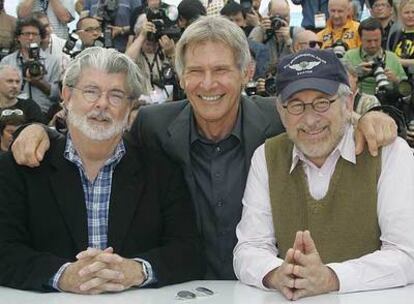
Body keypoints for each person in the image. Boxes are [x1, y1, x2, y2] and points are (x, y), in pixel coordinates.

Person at [11, 16, 399, 281]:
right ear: (180, 77)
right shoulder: (153, 124)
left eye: (221, 70)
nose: (207, 84)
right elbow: (97, 139)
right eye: (195, 71)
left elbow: (322, 115)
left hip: (265, 288)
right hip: (187, 288)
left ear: (246, 74)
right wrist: (40, 130)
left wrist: (370, 117)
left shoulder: (278, 121)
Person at [0, 47, 203, 293]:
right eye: (91, 91)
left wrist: (138, 270)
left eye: (116, 95)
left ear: (129, 108)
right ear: (67, 96)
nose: (102, 104)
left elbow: (188, 249)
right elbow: (5, 249)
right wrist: (62, 275)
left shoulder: (161, 169)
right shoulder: (22, 165)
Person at [234, 48, 414, 301]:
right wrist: (277, 273)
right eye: (296, 105)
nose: (310, 120)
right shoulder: (267, 156)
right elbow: (249, 247)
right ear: (280, 110)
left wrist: (330, 278)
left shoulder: (389, 152)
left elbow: (407, 254)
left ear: (348, 103)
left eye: (322, 102)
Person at [0, 17, 61, 116]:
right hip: (12, 114)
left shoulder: (53, 61)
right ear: (18, 37)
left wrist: (39, 83)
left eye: (35, 34)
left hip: (43, 114)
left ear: (41, 37)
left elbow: (58, 95)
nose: (31, 38)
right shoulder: (7, 61)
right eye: (27, 34)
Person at [343, 17, 407, 96]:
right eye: (368, 41)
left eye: (376, 40)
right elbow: (340, 86)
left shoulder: (392, 58)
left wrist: (395, 80)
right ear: (360, 39)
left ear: (382, 38)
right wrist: (355, 73)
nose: (373, 45)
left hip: (387, 101)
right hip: (358, 101)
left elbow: (406, 90)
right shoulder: (349, 56)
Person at [249, 0, 302, 68]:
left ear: (289, 14)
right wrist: (261, 33)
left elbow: (304, 60)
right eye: (277, 16)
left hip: (290, 75)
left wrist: (288, 40)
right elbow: (248, 56)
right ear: (269, 15)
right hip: (265, 76)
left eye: (285, 16)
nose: (281, 20)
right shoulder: (260, 30)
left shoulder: (297, 32)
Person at [388, 0, 414, 79]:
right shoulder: (395, 35)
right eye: (406, 12)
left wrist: (399, 61)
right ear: (400, 14)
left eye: (413, 12)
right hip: (397, 81)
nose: (410, 15)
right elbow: (388, 57)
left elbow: (393, 60)